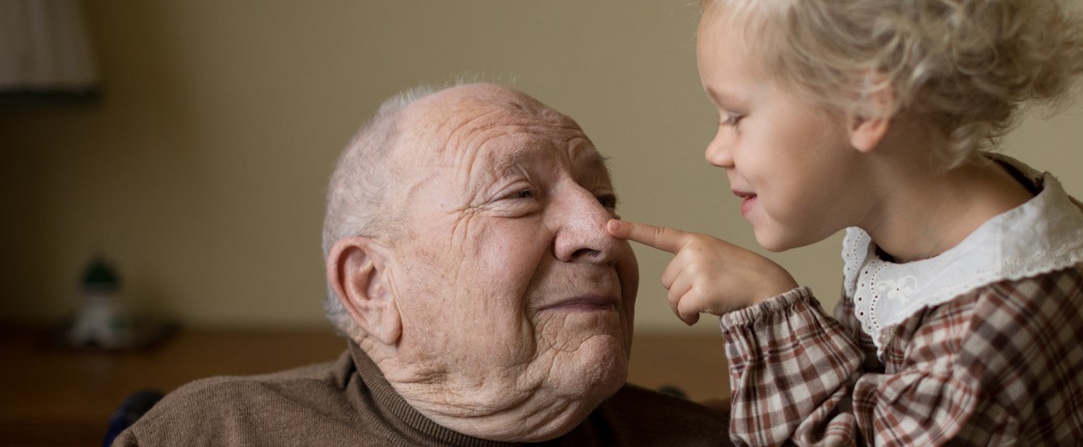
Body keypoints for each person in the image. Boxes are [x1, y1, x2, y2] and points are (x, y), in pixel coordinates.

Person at [606, 0, 1083, 445]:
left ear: (867, 106)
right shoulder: (950, 225)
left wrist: (769, 307)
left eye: (735, 116)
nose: (716, 150)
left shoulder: (993, 323)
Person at [115, 82, 731, 446]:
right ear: (372, 286)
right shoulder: (214, 434)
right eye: (518, 195)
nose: (602, 233)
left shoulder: (700, 439)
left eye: (605, 199)